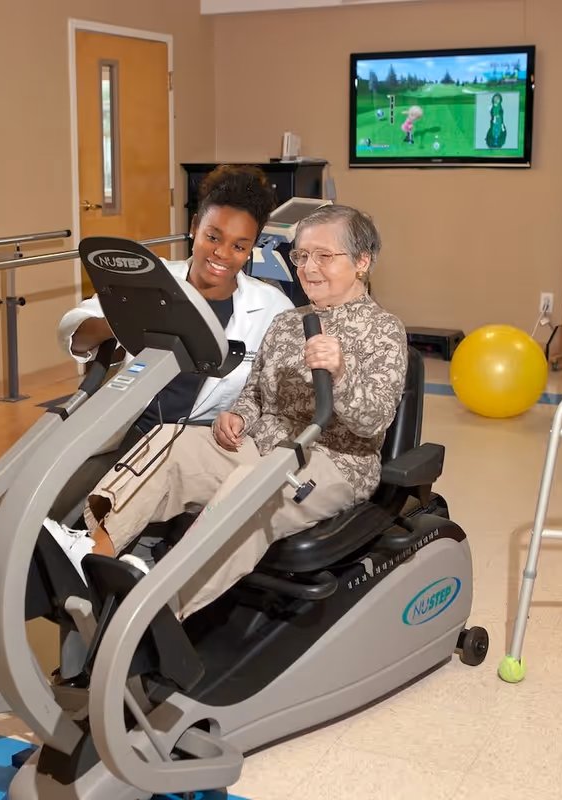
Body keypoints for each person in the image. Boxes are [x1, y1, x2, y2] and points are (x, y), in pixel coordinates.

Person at [47, 205, 409, 620]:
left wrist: (340, 374)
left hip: (335, 462)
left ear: (362, 261)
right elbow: (255, 394)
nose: (309, 268)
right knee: (172, 439)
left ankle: (159, 607)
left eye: (324, 256)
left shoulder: (385, 329)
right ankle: (92, 553)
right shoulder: (288, 322)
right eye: (302, 256)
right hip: (263, 447)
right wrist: (237, 416)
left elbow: (375, 421)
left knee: (253, 485)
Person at [46, 165, 293, 523]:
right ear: (194, 227)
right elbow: (75, 331)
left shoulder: (273, 308)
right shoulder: (149, 280)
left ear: (251, 248)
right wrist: (125, 321)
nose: (222, 254)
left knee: (103, 516)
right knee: (51, 509)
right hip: (136, 428)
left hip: (205, 440)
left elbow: (278, 397)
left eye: (239, 246)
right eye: (213, 236)